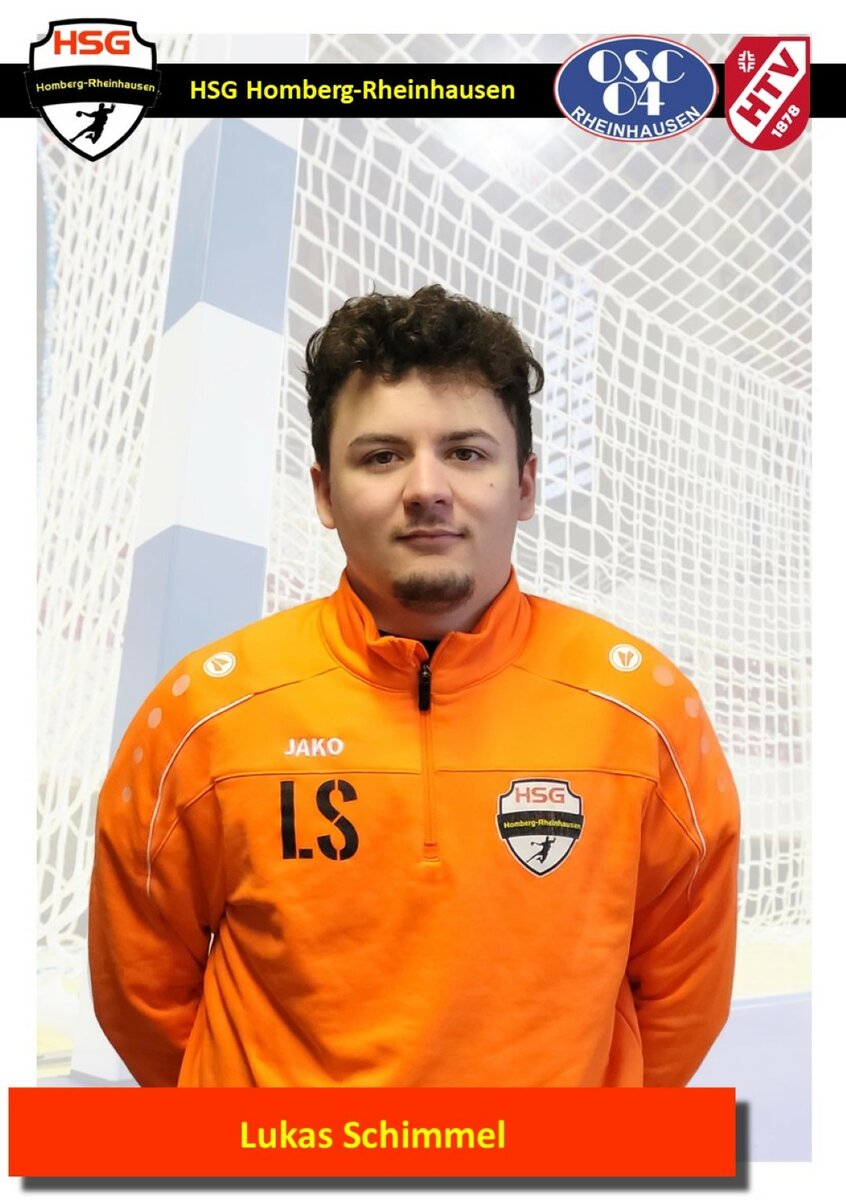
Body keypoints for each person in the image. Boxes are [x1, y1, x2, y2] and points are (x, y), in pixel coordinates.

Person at [88, 285, 740, 1088]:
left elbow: (682, 993)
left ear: (525, 485)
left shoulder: (642, 711)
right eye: (382, 456)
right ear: (325, 493)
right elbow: (142, 992)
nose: (426, 488)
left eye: (465, 453)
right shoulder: (206, 712)